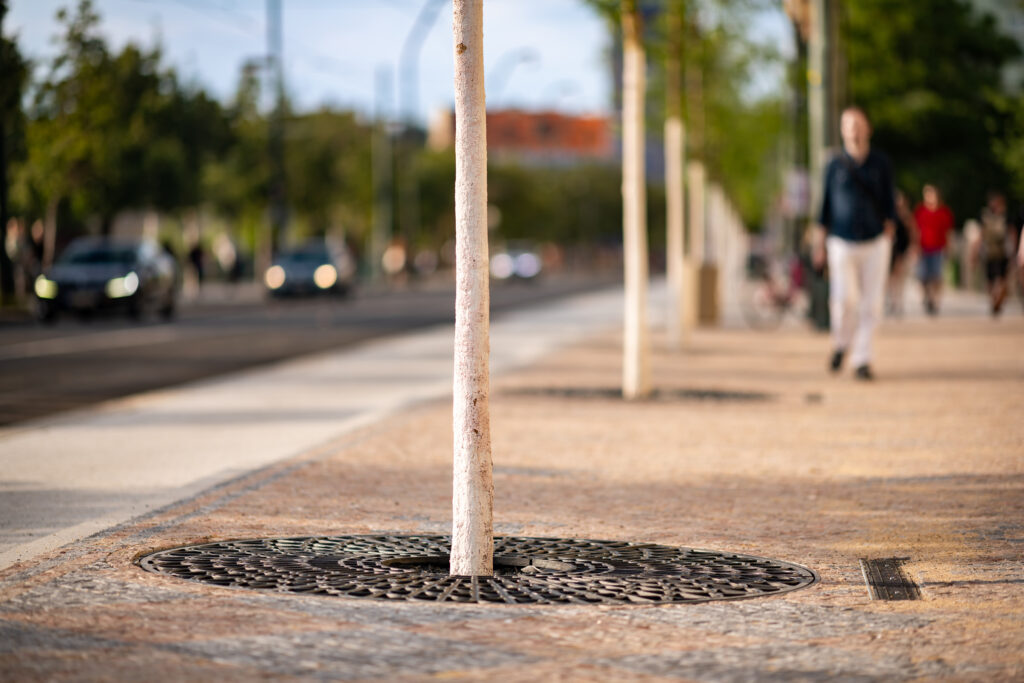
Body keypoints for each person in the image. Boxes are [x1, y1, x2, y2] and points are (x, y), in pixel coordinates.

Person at [814, 106, 895, 381]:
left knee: (872, 304)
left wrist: (890, 232)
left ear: (868, 128)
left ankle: (862, 358)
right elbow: (824, 208)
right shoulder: (834, 164)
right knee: (844, 299)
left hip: (874, 241)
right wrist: (819, 245)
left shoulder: (881, 163)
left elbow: (889, 203)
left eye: (858, 124)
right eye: (848, 125)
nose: (854, 130)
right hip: (841, 241)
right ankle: (841, 342)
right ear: (842, 130)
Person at [913, 184, 954, 315]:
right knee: (923, 277)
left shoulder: (944, 212)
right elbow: (916, 230)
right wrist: (915, 246)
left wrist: (949, 247)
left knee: (937, 276)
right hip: (923, 248)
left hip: (938, 248)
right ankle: (927, 297)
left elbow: (948, 232)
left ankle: (935, 300)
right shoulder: (920, 211)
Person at [977, 192, 1012, 316]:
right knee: (992, 280)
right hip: (990, 253)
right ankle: (995, 300)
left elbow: (1011, 234)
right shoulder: (987, 216)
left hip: (1001, 253)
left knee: (999, 279)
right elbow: (981, 235)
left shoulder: (1005, 217)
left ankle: (996, 300)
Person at [886, 190, 917, 317]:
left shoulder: (907, 216)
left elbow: (913, 233)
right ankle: (893, 301)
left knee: (901, 279)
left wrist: (913, 247)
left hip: (902, 251)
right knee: (891, 279)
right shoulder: (889, 216)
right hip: (891, 252)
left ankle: (899, 302)